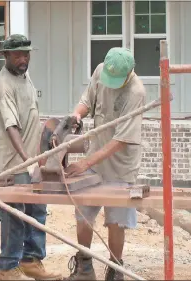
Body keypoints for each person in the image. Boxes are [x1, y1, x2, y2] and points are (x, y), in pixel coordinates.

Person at [63, 47, 146, 281]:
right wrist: (76, 116)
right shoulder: (101, 71)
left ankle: (115, 269)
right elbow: (86, 102)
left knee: (116, 221)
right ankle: (85, 267)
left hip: (121, 167)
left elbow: (121, 140)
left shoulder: (136, 92)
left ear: (130, 73)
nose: (110, 84)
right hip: (95, 163)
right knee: (83, 212)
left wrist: (84, 162)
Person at [0, 34, 63, 281]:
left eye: (26, 54)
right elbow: (12, 127)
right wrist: (27, 161)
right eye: (18, 55)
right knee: (15, 212)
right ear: (6, 56)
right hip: (15, 159)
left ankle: (31, 260)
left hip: (33, 155)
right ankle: (8, 267)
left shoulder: (24, 75)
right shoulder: (4, 85)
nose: (23, 59)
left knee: (37, 209)